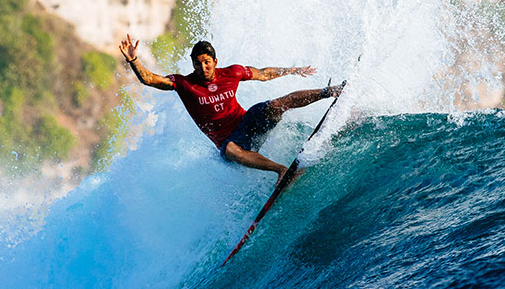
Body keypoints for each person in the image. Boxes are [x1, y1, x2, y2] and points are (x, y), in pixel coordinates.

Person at [118, 34, 343, 185]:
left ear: (215, 61)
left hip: (248, 124)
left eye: (206, 62)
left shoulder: (232, 73)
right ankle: (282, 170)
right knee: (231, 150)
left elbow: (264, 73)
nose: (202, 67)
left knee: (275, 105)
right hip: (230, 144)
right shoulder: (184, 85)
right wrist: (134, 60)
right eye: (197, 63)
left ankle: (329, 91)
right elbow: (149, 79)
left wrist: (293, 70)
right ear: (193, 64)